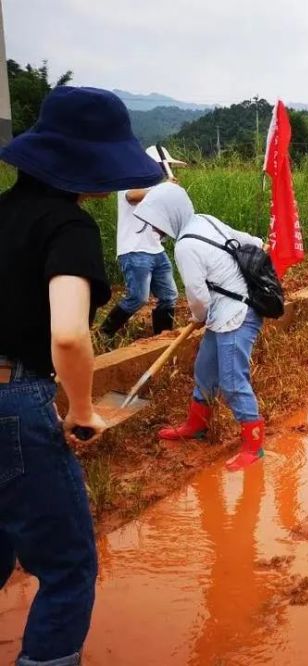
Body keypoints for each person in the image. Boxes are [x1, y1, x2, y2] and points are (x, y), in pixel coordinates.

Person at [0, 86, 163, 666]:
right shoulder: (69, 228)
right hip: (13, 400)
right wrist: (81, 407)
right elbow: (68, 333)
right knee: (69, 569)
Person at [133, 183, 267, 473]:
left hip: (237, 314)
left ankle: (254, 446)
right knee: (205, 370)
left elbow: (198, 297)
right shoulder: (204, 219)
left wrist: (199, 315)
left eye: (157, 223)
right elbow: (247, 240)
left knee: (232, 382)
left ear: (170, 215)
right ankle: (196, 426)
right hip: (226, 309)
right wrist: (260, 242)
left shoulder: (184, 246)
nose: (157, 232)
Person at [99, 146, 186, 338]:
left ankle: (161, 338)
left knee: (169, 296)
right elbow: (132, 196)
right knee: (138, 297)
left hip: (156, 249)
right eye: (165, 166)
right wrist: (163, 188)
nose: (167, 170)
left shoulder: (156, 189)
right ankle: (103, 334)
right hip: (134, 249)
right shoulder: (131, 179)